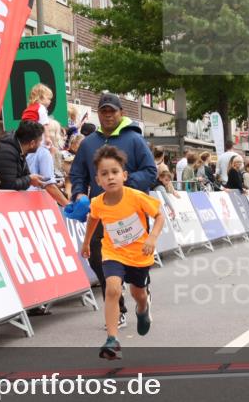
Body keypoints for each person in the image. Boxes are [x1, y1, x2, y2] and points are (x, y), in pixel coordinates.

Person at [69, 92, 157, 328]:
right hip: (101, 213)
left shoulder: (134, 140)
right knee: (99, 259)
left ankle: (142, 293)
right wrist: (78, 193)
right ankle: (117, 307)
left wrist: (123, 185)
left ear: (121, 113)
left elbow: (151, 172)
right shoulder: (88, 143)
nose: (108, 116)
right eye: (104, 112)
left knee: (136, 263)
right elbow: (77, 173)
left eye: (112, 111)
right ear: (99, 114)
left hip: (131, 213)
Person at [81, 145, 165, 360]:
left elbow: (159, 215)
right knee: (112, 288)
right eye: (104, 174)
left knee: (138, 293)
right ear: (98, 180)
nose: (110, 177)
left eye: (115, 172)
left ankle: (143, 308)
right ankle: (112, 340)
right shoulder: (97, 202)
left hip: (139, 255)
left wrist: (152, 238)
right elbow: (93, 219)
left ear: (124, 175)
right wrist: (87, 242)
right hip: (113, 253)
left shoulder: (136, 197)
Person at [0, 121, 45, 191]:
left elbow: (25, 176)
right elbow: (8, 185)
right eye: (40, 141)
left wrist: (30, 179)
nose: (40, 145)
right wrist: (30, 180)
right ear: (32, 143)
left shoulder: (19, 149)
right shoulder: (7, 152)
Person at [26, 122, 69, 206]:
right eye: (60, 133)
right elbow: (49, 184)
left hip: (24, 196)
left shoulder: (32, 147)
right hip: (34, 199)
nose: (63, 137)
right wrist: (68, 206)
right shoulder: (44, 152)